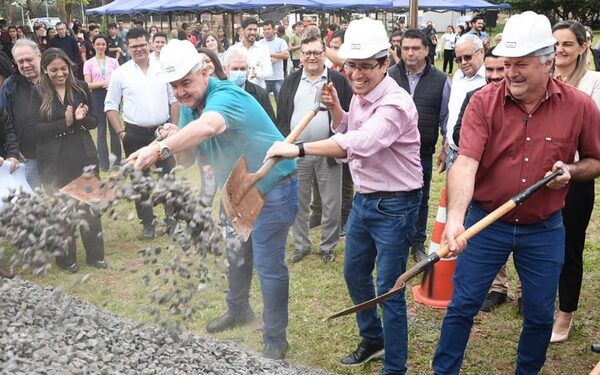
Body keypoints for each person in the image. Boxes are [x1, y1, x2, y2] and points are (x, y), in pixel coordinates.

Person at [431, 12, 600, 374]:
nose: (511, 73)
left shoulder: (580, 106)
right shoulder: (483, 102)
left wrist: (570, 171)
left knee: (539, 313)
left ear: (548, 62)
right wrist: (456, 221)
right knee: (462, 306)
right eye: (507, 64)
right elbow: (465, 163)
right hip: (486, 222)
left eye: (521, 64)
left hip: (544, 228)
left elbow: (595, 161)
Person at [266, 18, 422, 375]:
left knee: (389, 289)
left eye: (366, 66)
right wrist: (338, 108)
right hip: (367, 200)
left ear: (386, 63)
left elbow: (359, 144)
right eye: (352, 66)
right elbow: (349, 129)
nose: (357, 74)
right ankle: (373, 338)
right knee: (354, 274)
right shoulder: (365, 96)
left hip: (396, 205)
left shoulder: (396, 103)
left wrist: (299, 149)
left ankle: (394, 367)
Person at [131, 39, 298, 361]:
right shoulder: (189, 109)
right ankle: (239, 311)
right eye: (174, 86)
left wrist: (157, 149)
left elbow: (211, 126)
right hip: (236, 188)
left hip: (273, 185)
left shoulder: (225, 96)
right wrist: (172, 141)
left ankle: (276, 340)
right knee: (236, 255)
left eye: (186, 83)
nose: (180, 92)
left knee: (268, 265)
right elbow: (187, 161)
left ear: (204, 72)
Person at [450, 47, 517, 313]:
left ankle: (523, 293)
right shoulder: (474, 98)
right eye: (490, 70)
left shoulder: (524, 100)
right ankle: (497, 288)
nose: (495, 75)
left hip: (522, 184)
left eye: (501, 69)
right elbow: (457, 134)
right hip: (484, 182)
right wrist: (480, 147)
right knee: (489, 233)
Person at [29, 48, 107, 273]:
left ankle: (95, 256)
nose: (60, 73)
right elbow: (35, 129)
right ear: (45, 69)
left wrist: (81, 120)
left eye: (63, 68)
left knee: (89, 209)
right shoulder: (38, 92)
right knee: (61, 212)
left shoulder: (81, 87)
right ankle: (66, 259)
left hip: (83, 156)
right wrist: (65, 123)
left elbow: (94, 121)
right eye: (54, 70)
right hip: (54, 161)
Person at [277, 35, 352, 264]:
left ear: (324, 54)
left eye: (316, 53)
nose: (311, 57)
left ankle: (328, 246)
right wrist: (286, 144)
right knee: (298, 201)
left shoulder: (337, 80)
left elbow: (348, 113)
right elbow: (282, 115)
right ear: (301, 55)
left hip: (328, 151)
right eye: (307, 52)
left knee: (331, 202)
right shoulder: (291, 81)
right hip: (297, 153)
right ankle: (301, 245)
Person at [550, 19, 600, 343]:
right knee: (540, 244)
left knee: (570, 248)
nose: (559, 50)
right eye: (555, 43)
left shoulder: (593, 83)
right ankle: (538, 303)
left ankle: (565, 313)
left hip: (577, 178)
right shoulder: (545, 78)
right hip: (543, 177)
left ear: (583, 46)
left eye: (567, 43)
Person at [104, 27, 179, 239]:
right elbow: (110, 105)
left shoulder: (163, 68)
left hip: (162, 133)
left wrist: (173, 127)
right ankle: (148, 223)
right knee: (140, 181)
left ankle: (171, 219)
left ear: (150, 44)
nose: (139, 49)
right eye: (134, 46)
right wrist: (121, 133)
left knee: (168, 176)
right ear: (128, 47)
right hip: (134, 134)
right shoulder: (120, 73)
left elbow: (174, 100)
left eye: (143, 45)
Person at [388, 28, 450, 262]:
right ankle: (394, 243)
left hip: (422, 153)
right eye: (406, 48)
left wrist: (446, 147)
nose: (410, 53)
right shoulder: (389, 76)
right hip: (391, 151)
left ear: (426, 50)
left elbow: (446, 118)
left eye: (416, 48)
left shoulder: (441, 80)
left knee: (421, 198)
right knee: (392, 197)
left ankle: (417, 243)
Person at [0, 39, 43, 189]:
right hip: (27, 156)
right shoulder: (10, 85)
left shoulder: (53, 78)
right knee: (32, 203)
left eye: (29, 59)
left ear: (39, 55)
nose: (25, 65)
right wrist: (14, 150)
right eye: (21, 61)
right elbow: (6, 122)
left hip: (57, 154)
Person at [445, 33, 486, 170]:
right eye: (458, 59)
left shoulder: (490, 78)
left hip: (477, 157)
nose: (463, 62)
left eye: (467, 57)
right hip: (453, 151)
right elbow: (453, 111)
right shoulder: (457, 76)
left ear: (481, 52)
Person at [84, 34, 121, 171]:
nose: (101, 47)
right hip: (97, 97)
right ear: (93, 45)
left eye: (103, 44)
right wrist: (102, 84)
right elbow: (88, 84)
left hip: (113, 95)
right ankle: (104, 163)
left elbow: (119, 80)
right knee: (101, 131)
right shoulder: (88, 63)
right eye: (98, 44)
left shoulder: (114, 62)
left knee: (115, 129)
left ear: (107, 46)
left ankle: (117, 161)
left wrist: (110, 84)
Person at [233, 18, 272, 89]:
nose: (253, 32)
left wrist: (257, 74)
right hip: (239, 90)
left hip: (258, 91)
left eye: (255, 30)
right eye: (249, 29)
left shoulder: (263, 49)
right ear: (242, 30)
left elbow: (269, 72)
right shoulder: (234, 49)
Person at [258, 20, 288, 99]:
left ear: (274, 30)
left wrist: (273, 56)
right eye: (264, 29)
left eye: (268, 29)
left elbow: (286, 55)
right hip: (264, 77)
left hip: (277, 77)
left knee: (280, 103)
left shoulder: (281, 42)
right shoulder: (259, 43)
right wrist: (267, 60)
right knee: (262, 102)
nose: (266, 31)